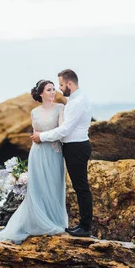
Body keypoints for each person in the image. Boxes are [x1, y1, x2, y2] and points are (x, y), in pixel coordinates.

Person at [0, 80, 68, 244]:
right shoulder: (34, 112)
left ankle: (55, 221)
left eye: (54, 89)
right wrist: (37, 138)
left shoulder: (60, 108)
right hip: (37, 153)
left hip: (54, 152)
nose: (53, 92)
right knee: (37, 188)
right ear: (41, 93)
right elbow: (35, 133)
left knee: (54, 186)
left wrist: (43, 136)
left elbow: (62, 132)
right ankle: (38, 222)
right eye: (49, 90)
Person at [31, 69, 93, 237]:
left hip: (77, 147)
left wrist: (42, 136)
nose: (59, 89)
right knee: (79, 187)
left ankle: (85, 227)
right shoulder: (73, 100)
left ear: (69, 84)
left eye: (60, 85)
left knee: (81, 188)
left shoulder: (78, 101)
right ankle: (82, 225)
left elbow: (65, 129)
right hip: (73, 147)